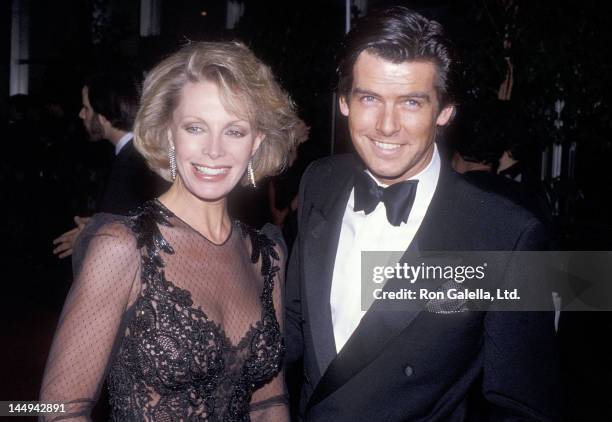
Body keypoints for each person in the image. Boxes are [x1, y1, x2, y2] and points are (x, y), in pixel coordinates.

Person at [285, 7, 560, 421]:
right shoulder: (320, 181)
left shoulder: (506, 234)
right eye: (370, 99)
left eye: (411, 102)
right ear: (344, 102)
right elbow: (293, 325)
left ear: (444, 112)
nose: (387, 126)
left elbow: (520, 406)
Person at [40, 41, 308, 421]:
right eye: (196, 127)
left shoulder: (268, 256)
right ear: (169, 133)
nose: (214, 150)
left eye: (234, 131)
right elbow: (58, 410)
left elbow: (269, 402)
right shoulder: (124, 248)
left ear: (256, 143)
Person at [52, 72, 169, 259]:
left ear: (104, 113)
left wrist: (89, 237)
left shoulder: (132, 163)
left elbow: (150, 235)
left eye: (86, 108)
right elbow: (133, 215)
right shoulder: (138, 153)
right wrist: (99, 224)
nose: (81, 115)